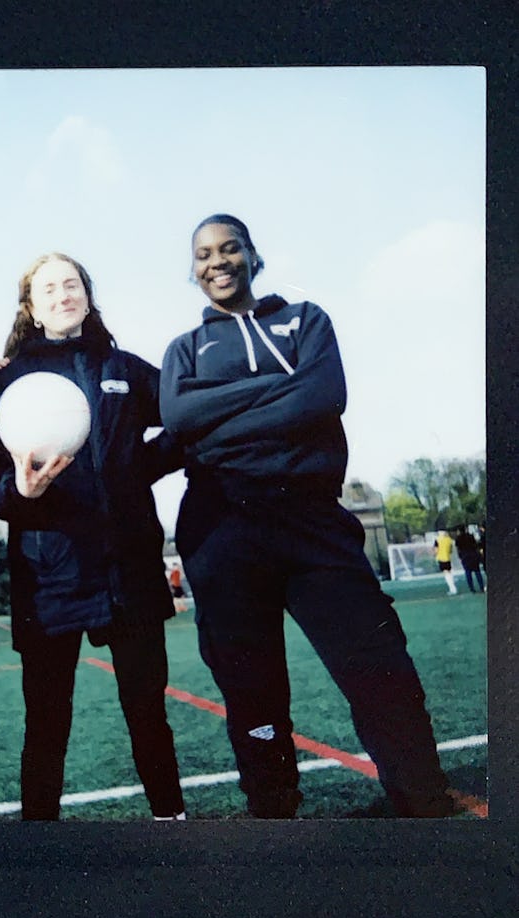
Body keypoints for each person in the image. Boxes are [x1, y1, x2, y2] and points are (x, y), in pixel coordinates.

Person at [159, 213, 455, 818]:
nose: (217, 261)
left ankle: (420, 798)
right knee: (250, 683)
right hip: (222, 525)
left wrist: (217, 420)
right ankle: (273, 811)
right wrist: (277, 390)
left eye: (229, 248)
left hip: (311, 519)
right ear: (192, 270)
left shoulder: (305, 320)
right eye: (203, 254)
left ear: (252, 255)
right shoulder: (184, 349)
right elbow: (179, 419)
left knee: (377, 662)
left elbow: (322, 396)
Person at [0, 252, 186, 822]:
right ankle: (39, 842)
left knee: (148, 711)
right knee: (47, 721)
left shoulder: (123, 366)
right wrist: (24, 491)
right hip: (51, 580)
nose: (62, 294)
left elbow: (185, 419)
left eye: (71, 284)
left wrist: (135, 466)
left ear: (88, 295)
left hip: (129, 572)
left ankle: (173, 821)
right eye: (49, 288)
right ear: (31, 306)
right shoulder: (7, 383)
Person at [454, 526, 485, 593]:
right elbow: (475, 545)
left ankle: (472, 588)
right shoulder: (470, 536)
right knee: (477, 571)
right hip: (473, 555)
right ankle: (481, 587)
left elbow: (458, 549)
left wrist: (460, 556)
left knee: (468, 572)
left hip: (465, 556)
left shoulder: (458, 538)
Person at [435, 530, 458, 595]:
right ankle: (453, 588)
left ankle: (453, 589)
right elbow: (450, 550)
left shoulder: (437, 540)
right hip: (448, 558)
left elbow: (436, 550)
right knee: (449, 573)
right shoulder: (449, 539)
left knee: (446, 574)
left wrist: (435, 554)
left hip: (441, 558)